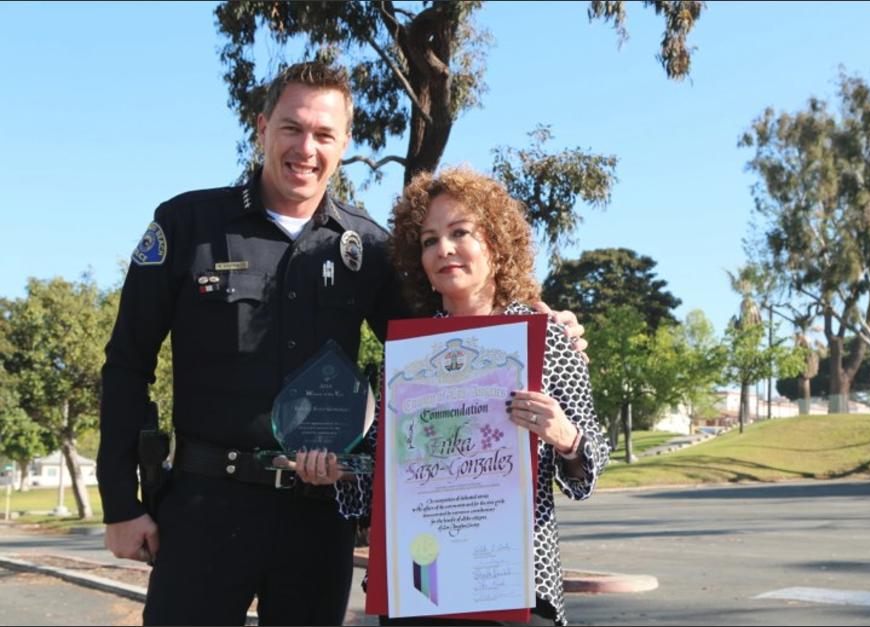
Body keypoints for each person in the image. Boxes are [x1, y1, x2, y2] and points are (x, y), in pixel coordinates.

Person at [98, 62, 587, 626]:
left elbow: (447, 343)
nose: (306, 148)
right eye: (292, 128)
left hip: (317, 517)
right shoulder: (188, 226)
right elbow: (127, 363)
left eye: (324, 134)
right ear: (262, 128)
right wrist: (121, 502)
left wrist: (535, 322)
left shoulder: (371, 250)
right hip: (206, 505)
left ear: (344, 143)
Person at [298, 167, 610, 626]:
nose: (443, 249)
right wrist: (338, 471)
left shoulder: (544, 338)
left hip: (514, 588)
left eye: (460, 232)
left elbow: (590, 468)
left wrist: (565, 436)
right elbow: (384, 474)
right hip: (424, 587)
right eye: (428, 240)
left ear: (496, 243)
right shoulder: (407, 353)